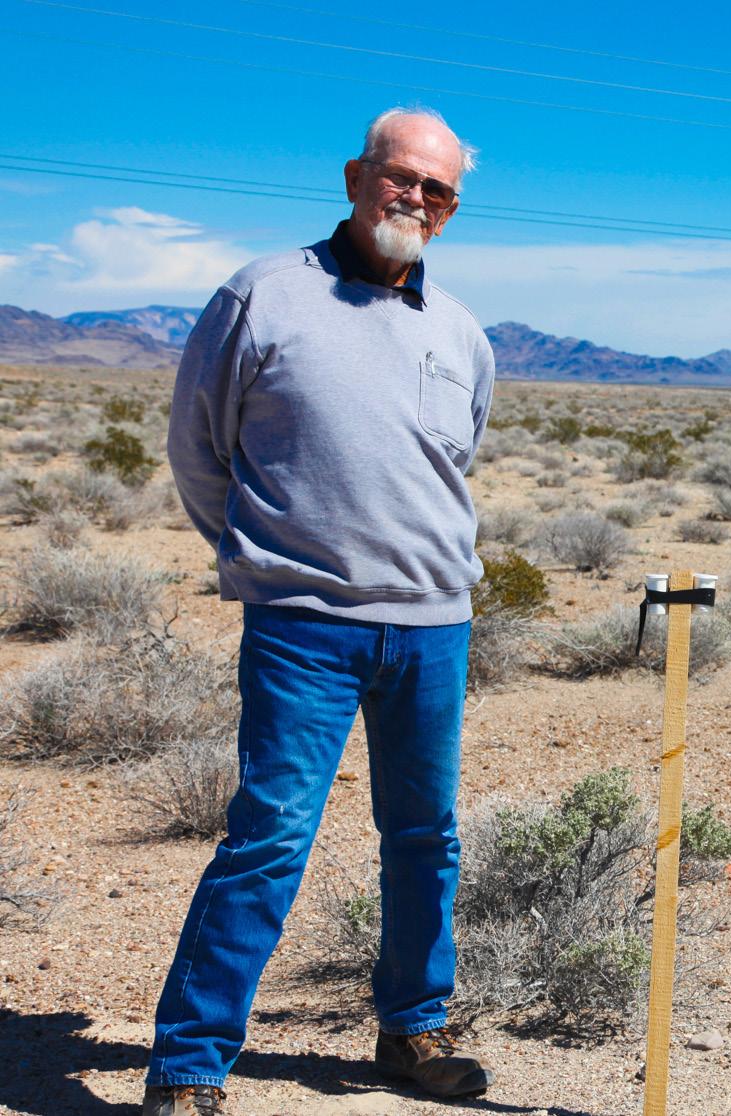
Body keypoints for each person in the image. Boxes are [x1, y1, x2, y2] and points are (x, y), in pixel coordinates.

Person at [143, 106, 497, 1116]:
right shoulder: (262, 295)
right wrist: (266, 561)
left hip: (433, 624)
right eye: (401, 177)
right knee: (269, 838)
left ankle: (413, 1026)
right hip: (303, 625)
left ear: (451, 209)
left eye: (437, 190)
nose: (416, 199)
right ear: (355, 176)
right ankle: (190, 1068)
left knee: (425, 836)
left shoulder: (460, 332)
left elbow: (454, 459)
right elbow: (198, 451)